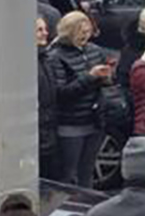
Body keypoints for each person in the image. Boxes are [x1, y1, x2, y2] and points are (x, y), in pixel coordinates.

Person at [46, 10, 115, 188]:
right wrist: (90, 77)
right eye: (80, 33)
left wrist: (106, 78)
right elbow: (61, 93)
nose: (85, 37)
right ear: (68, 33)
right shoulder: (55, 57)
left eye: (87, 32)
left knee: (87, 171)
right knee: (69, 174)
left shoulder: (95, 51)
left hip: (94, 119)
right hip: (70, 123)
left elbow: (103, 84)